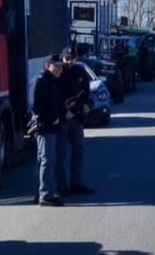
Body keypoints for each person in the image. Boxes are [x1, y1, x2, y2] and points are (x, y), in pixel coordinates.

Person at [57, 46, 94, 196]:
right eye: (67, 58)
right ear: (62, 58)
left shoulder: (80, 71)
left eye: (72, 58)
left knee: (79, 150)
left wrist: (85, 105)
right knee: (61, 153)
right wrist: (65, 112)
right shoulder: (59, 73)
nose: (70, 61)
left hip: (77, 118)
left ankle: (76, 183)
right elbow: (56, 95)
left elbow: (85, 91)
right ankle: (61, 186)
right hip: (63, 118)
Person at [32, 54, 67, 206]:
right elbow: (36, 107)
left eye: (61, 66)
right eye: (56, 66)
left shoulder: (53, 81)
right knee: (48, 160)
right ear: (48, 66)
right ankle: (45, 195)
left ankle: (42, 192)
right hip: (45, 127)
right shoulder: (41, 82)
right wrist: (52, 118)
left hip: (53, 126)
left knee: (44, 160)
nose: (59, 69)